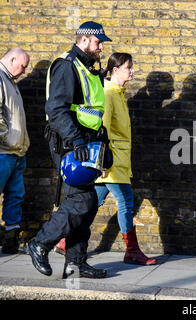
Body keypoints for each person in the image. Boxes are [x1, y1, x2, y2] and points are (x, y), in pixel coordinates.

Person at [26, 21, 112, 279]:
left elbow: (92, 111)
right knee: (81, 199)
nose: (101, 48)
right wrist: (77, 142)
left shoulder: (87, 67)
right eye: (98, 42)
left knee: (88, 201)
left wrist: (101, 143)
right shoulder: (67, 66)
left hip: (86, 141)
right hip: (69, 141)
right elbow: (56, 111)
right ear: (84, 39)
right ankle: (40, 243)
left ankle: (75, 263)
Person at [94, 52, 156, 265]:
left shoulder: (117, 92)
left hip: (117, 160)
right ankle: (132, 251)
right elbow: (102, 129)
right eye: (129, 67)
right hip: (112, 162)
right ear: (115, 69)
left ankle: (64, 241)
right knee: (126, 201)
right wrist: (101, 162)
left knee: (91, 202)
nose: (133, 70)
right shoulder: (108, 93)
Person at [0, 48, 30, 254]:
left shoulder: (10, 81)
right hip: (3, 152)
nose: (25, 71)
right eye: (23, 66)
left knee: (15, 197)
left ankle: (10, 240)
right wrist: (7, 137)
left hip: (16, 153)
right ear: (12, 59)